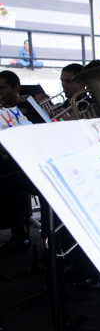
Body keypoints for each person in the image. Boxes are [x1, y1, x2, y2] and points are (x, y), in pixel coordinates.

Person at [0, 70, 43, 251]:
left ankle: (19, 234)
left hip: (32, 164)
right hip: (9, 160)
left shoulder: (30, 109)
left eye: (2, 88)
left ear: (16, 88)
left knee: (4, 183)